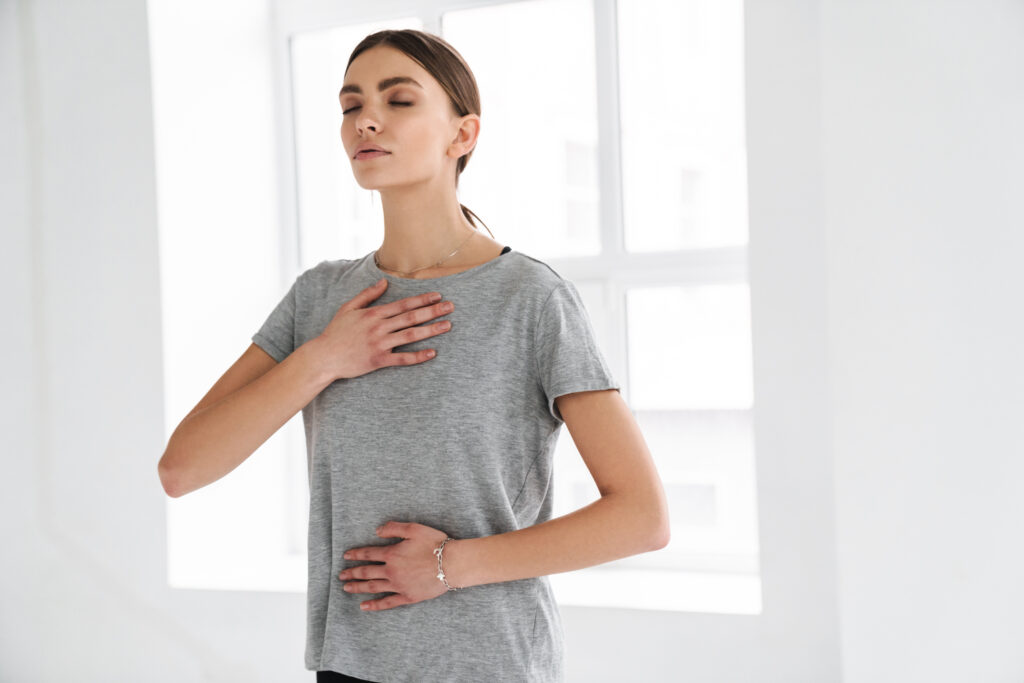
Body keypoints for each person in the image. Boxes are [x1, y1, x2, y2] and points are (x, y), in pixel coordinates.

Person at [159, 28, 669, 683]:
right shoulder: (320, 298)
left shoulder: (530, 297)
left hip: (492, 665)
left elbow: (642, 516)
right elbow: (182, 467)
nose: (365, 120)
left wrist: (449, 564)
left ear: (463, 135)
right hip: (350, 665)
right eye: (350, 105)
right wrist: (324, 358)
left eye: (398, 100)